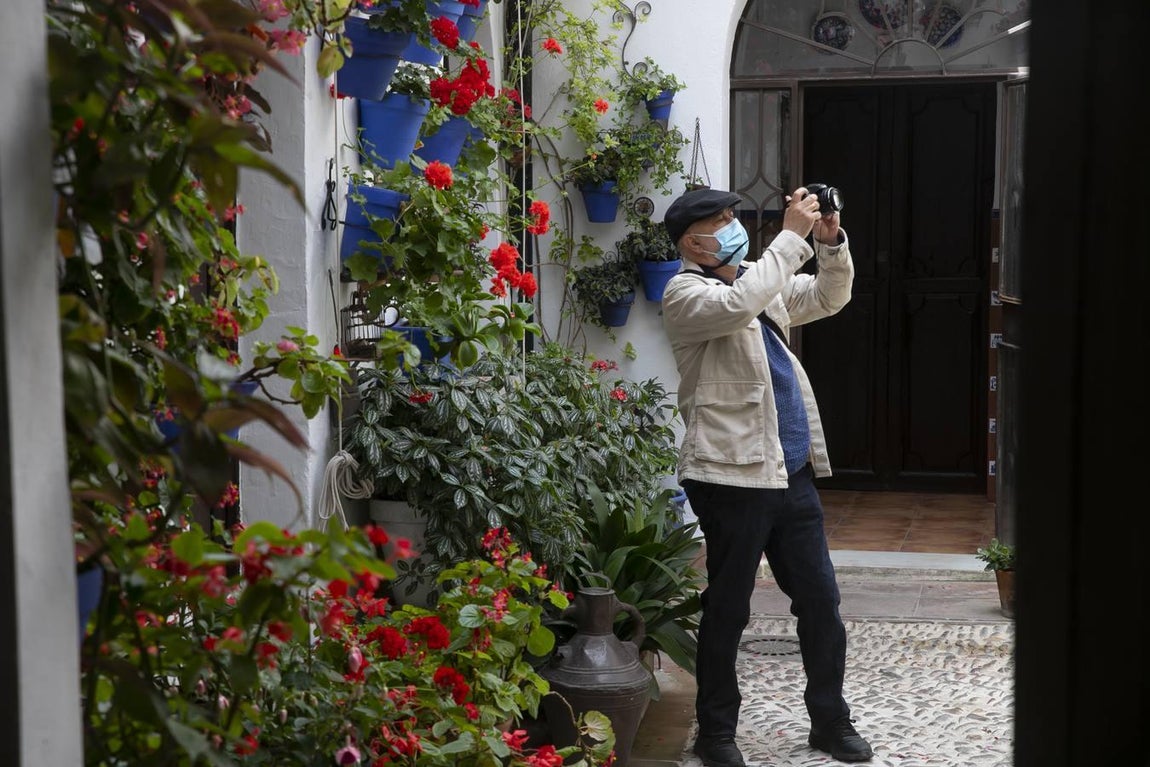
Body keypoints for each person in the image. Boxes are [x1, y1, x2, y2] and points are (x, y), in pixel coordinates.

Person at [660, 186, 873, 766]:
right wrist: (791, 236)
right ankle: (716, 735)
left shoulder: (760, 273)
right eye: (720, 220)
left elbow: (829, 298)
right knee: (729, 607)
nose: (732, 226)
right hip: (730, 475)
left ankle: (830, 721)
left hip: (791, 470)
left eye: (733, 216)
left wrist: (829, 243)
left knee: (821, 601)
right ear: (691, 240)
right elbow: (740, 304)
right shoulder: (684, 293)